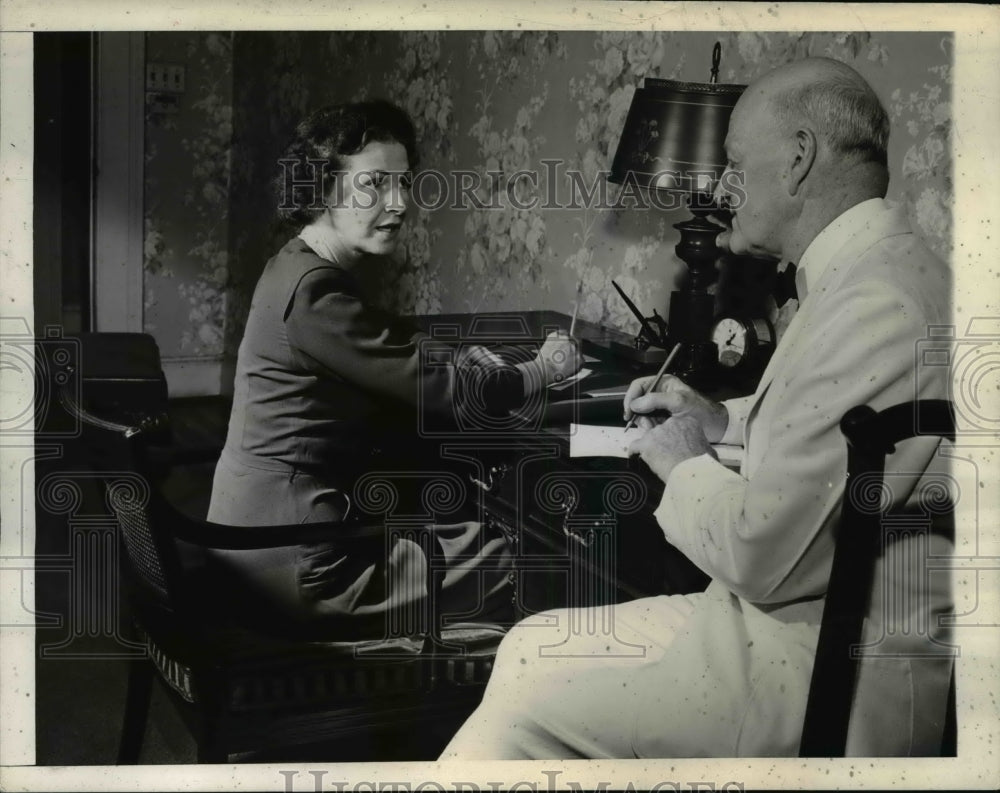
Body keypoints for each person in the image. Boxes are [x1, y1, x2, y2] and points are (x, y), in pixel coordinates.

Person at [440, 57, 953, 758]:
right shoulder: (874, 273)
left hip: (828, 670)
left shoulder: (875, 304)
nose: (721, 185)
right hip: (778, 625)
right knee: (529, 646)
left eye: (737, 161)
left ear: (799, 157)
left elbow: (759, 552)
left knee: (529, 706)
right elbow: (842, 442)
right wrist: (717, 421)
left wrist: (683, 463)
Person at [207, 100, 581, 636]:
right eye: (375, 185)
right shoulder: (316, 292)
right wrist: (545, 369)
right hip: (295, 564)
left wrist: (449, 354)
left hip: (254, 535)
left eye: (404, 184)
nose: (399, 203)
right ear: (323, 186)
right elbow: (453, 394)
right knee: (509, 556)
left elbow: (380, 335)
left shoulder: (293, 264)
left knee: (450, 528)